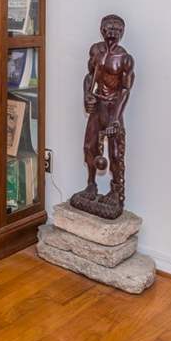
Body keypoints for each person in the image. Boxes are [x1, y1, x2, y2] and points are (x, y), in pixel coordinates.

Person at [73, 14, 135, 219]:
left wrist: (116, 118)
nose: (113, 32)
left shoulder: (125, 59)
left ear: (122, 32)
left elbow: (125, 90)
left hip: (112, 108)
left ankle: (116, 191)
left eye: (117, 28)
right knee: (89, 147)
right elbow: (90, 77)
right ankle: (91, 185)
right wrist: (86, 96)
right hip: (97, 105)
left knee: (116, 153)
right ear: (101, 29)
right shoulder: (96, 51)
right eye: (109, 27)